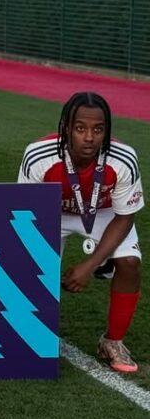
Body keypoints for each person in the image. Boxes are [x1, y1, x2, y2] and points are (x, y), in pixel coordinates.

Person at [18, 92, 143, 373]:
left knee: (129, 263)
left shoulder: (123, 158)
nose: (89, 137)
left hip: (104, 211)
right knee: (34, 266)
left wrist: (90, 264)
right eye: (80, 128)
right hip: (51, 210)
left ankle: (112, 341)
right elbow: (25, 210)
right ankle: (31, 332)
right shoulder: (38, 155)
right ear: (65, 127)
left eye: (98, 130)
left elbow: (125, 216)